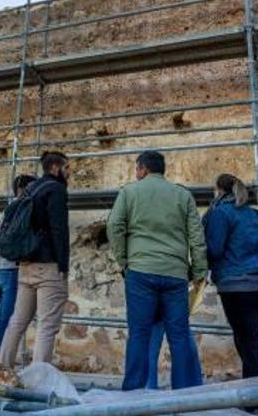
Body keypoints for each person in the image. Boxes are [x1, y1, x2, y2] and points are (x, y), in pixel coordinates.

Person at [107, 150, 207, 390]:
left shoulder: (129, 192)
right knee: (179, 335)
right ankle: (185, 393)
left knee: (139, 334)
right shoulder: (183, 196)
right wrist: (199, 270)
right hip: (175, 274)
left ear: (142, 169)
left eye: (136, 168)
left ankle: (134, 393)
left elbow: (114, 226)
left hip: (140, 272)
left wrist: (124, 261)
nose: (135, 173)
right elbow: (197, 236)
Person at [0, 151, 71, 367]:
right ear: (56, 168)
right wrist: (63, 265)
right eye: (67, 168)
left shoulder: (30, 189)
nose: (69, 173)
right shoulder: (56, 190)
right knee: (47, 325)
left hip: (26, 265)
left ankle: (2, 369)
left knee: (17, 322)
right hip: (48, 266)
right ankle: (39, 377)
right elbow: (59, 230)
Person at [203, 173, 258, 379]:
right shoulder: (257, 215)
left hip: (235, 285)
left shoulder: (221, 213)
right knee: (251, 340)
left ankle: (256, 399)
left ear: (219, 190)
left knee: (246, 342)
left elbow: (214, 250)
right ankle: (257, 394)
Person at [0, 174, 37, 363]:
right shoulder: (19, 208)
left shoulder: (11, 208)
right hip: (12, 269)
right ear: (23, 188)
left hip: (5, 269)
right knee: (6, 318)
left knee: (7, 317)